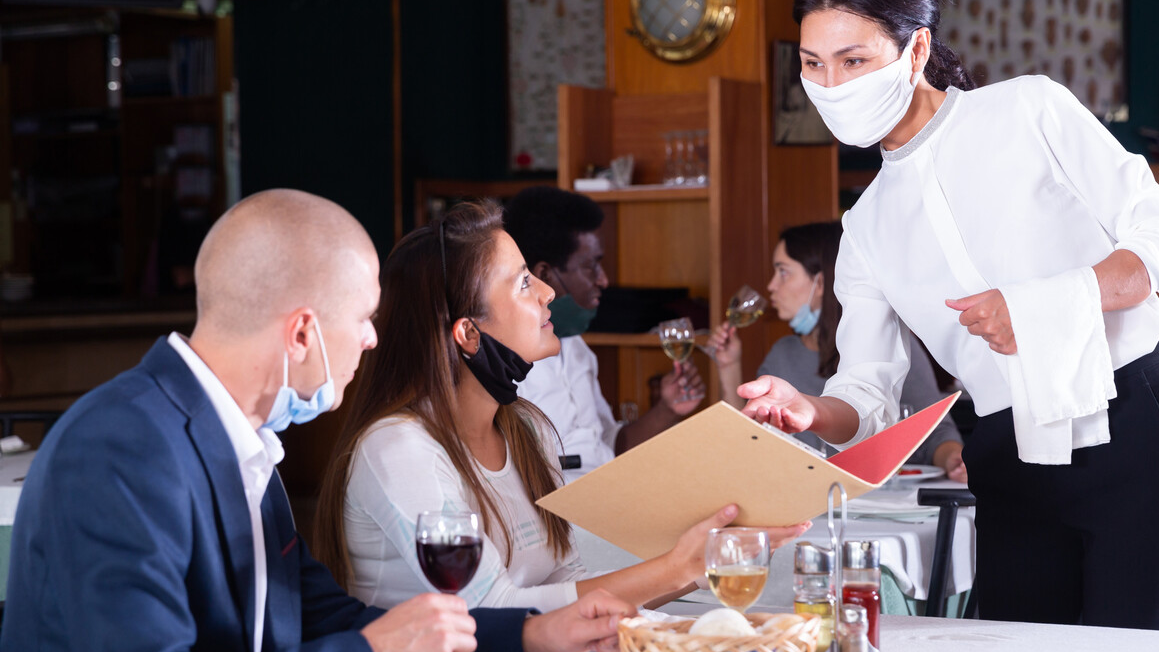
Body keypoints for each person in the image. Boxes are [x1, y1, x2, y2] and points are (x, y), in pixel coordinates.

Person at [0, 190, 633, 652]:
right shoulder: (120, 449)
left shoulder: (243, 443)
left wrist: (530, 634)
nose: (372, 341)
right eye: (361, 319)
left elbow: (324, 618)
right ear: (303, 332)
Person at [739, 0, 1159, 633]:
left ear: (916, 48)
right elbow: (867, 394)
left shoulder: (1028, 111)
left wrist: (1042, 308)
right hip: (1006, 463)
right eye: (814, 64)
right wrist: (807, 409)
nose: (832, 85)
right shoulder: (864, 228)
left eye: (853, 60)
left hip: (1131, 426)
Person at [313, 200, 807, 614]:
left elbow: (569, 584)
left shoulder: (526, 429)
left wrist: (707, 563)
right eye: (524, 283)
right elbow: (493, 609)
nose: (548, 292)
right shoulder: (400, 449)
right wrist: (680, 566)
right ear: (468, 333)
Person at [709, 221, 965, 481]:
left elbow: (937, 433)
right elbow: (750, 439)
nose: (772, 286)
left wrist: (953, 458)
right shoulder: (782, 355)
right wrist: (729, 367)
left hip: (888, 498)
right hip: (807, 498)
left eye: (783, 272)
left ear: (820, 283)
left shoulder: (886, 347)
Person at [502, 186, 706, 482]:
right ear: (544, 275)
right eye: (591, 267)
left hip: (605, 493)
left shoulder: (578, 348)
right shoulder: (503, 363)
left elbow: (607, 446)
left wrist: (668, 408)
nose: (604, 280)